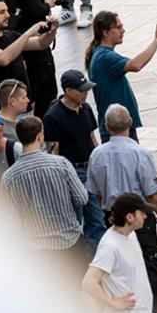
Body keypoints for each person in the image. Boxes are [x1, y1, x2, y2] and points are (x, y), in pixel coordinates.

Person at [87, 104, 157, 313]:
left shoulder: (97, 154)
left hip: (112, 217)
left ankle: (130, 310)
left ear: (106, 127)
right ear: (130, 123)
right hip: (140, 218)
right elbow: (152, 193)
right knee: (150, 264)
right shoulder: (140, 153)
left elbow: (95, 192)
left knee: (122, 270)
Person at [82, 192, 157, 313]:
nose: (146, 216)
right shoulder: (110, 246)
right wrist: (113, 303)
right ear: (129, 217)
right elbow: (89, 282)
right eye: (142, 212)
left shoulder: (130, 236)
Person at [1, 116, 90, 274]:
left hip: (36, 251)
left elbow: (11, 221)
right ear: (39, 136)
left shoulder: (9, 177)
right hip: (68, 241)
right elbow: (82, 198)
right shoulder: (61, 164)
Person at [44, 69, 105, 252]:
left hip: (90, 168)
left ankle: (97, 259)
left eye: (86, 89)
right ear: (68, 91)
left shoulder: (86, 108)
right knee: (75, 219)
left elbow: (91, 137)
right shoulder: (53, 116)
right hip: (72, 172)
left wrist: (98, 161)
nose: (86, 93)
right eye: (81, 90)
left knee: (97, 219)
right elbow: (53, 151)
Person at [85, 11, 157, 143]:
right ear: (105, 32)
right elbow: (136, 65)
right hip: (118, 128)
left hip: (118, 126)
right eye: (118, 27)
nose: (123, 31)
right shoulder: (106, 57)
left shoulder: (99, 53)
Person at [0, 0, 57, 112]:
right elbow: (3, 58)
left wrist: (52, 31)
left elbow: (41, 43)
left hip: (23, 105)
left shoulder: (10, 35)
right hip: (3, 110)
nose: (8, 15)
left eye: (7, 11)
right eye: (2, 12)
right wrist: (28, 33)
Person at [11, 0, 59, 117]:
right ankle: (45, 121)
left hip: (22, 32)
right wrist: (48, 4)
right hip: (35, 34)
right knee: (45, 83)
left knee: (33, 77)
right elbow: (35, 9)